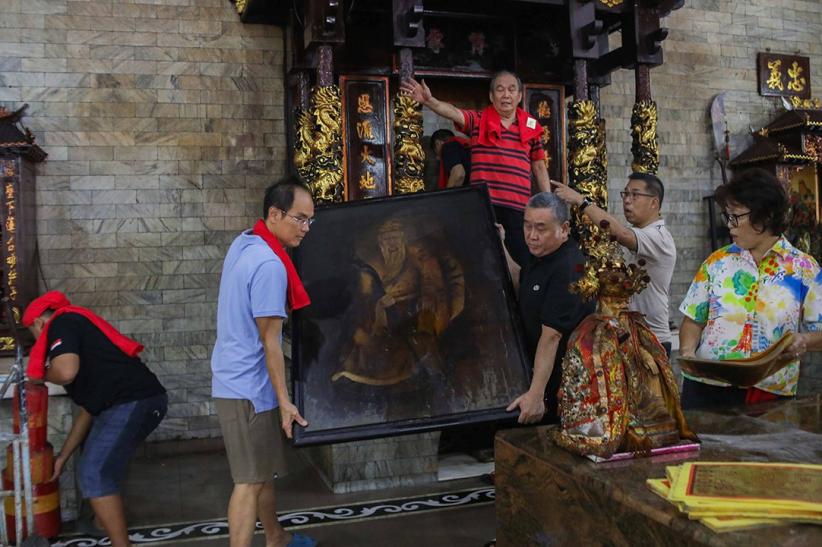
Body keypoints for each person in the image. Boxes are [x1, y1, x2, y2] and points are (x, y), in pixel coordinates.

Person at [211, 176, 317, 547]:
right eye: (299, 219)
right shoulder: (271, 266)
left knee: (262, 472)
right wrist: (285, 401)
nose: (305, 229)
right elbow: (270, 341)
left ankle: (276, 537)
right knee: (248, 481)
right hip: (247, 390)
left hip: (238, 379)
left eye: (309, 220)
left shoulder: (246, 241)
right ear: (275, 214)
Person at [23, 290, 167, 547]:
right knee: (100, 467)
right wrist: (63, 457)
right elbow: (88, 411)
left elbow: (66, 371)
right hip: (136, 401)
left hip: (132, 401)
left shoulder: (62, 323)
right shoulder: (78, 327)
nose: (38, 343)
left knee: (93, 472)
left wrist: (41, 373)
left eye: (34, 335)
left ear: (38, 323)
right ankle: (106, 522)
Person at [679, 168, 822, 409]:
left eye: (735, 216)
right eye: (727, 216)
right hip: (706, 385)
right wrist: (688, 354)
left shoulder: (803, 268)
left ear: (765, 216)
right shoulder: (716, 262)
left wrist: (803, 340)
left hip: (767, 391)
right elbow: (693, 320)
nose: (729, 225)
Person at [401, 71, 551, 267]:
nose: (506, 95)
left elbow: (539, 166)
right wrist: (430, 101)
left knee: (523, 262)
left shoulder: (532, 127)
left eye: (511, 89)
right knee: (481, 264)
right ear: (491, 96)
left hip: (518, 209)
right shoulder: (479, 120)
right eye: (500, 89)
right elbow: (453, 111)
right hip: (483, 206)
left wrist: (549, 203)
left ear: (520, 96)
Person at [552, 172, 676, 355]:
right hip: (623, 336)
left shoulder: (659, 236)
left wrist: (581, 201)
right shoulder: (635, 233)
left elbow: (621, 234)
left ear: (654, 203)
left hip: (651, 340)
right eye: (625, 194)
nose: (627, 200)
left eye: (635, 194)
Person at [501, 192, 595, 423]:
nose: (532, 236)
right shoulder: (541, 254)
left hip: (562, 385)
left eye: (541, 228)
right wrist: (500, 243)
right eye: (527, 226)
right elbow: (519, 280)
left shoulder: (570, 268)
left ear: (563, 229)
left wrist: (536, 395)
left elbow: (551, 336)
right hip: (532, 370)